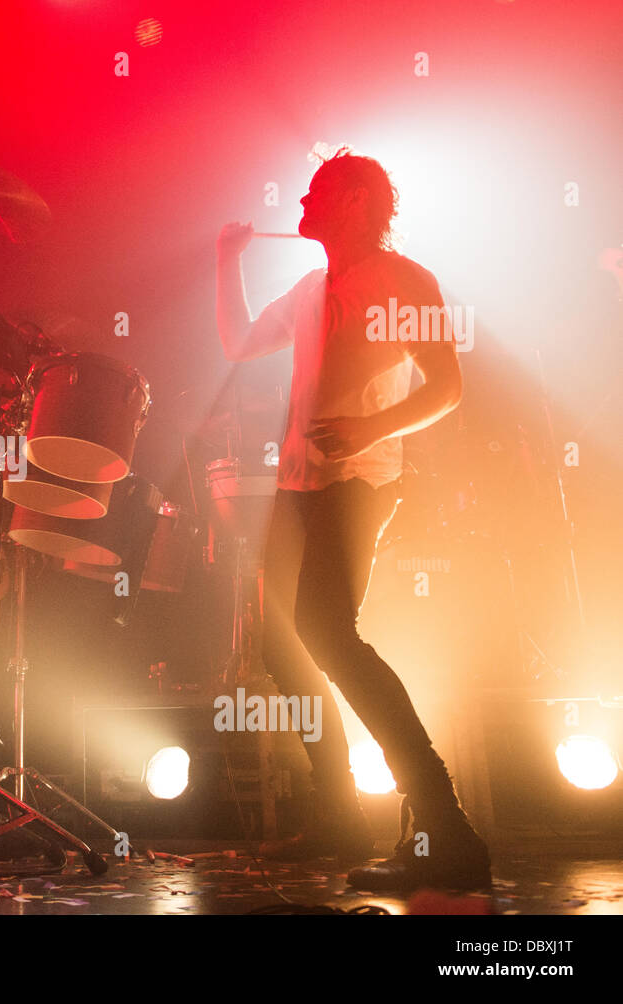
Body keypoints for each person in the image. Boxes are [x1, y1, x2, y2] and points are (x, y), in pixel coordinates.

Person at [214, 147, 490, 890]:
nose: (302, 199)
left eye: (319, 190)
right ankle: (338, 815)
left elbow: (448, 386)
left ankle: (445, 825)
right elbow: (240, 343)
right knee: (283, 643)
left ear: (359, 202)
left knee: (330, 634)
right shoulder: (310, 288)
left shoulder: (402, 280)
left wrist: (370, 432)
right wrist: (224, 261)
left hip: (357, 482)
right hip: (298, 489)